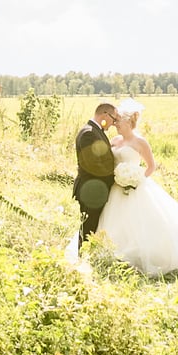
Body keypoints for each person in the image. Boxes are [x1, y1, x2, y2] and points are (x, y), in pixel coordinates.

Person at [85, 98, 178, 278]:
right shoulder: (114, 140)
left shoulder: (140, 142)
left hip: (136, 187)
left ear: (128, 122)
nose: (115, 124)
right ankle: (114, 255)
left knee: (142, 222)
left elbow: (151, 167)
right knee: (115, 222)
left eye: (118, 121)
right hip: (116, 188)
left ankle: (143, 255)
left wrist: (135, 179)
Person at [71, 101, 122, 254]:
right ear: (105, 115)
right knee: (88, 226)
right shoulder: (89, 133)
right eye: (113, 119)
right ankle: (83, 257)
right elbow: (94, 166)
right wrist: (117, 178)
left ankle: (87, 254)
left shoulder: (95, 131)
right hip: (90, 190)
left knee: (92, 224)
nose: (113, 124)